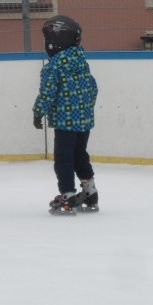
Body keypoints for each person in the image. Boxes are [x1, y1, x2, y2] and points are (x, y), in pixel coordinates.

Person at [32, 15, 99, 215]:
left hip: (65, 122)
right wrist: (86, 109)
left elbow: (47, 93)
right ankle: (90, 191)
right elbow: (93, 87)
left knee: (63, 159)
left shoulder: (53, 67)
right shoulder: (81, 62)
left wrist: (38, 113)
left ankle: (68, 195)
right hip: (84, 121)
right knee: (80, 156)